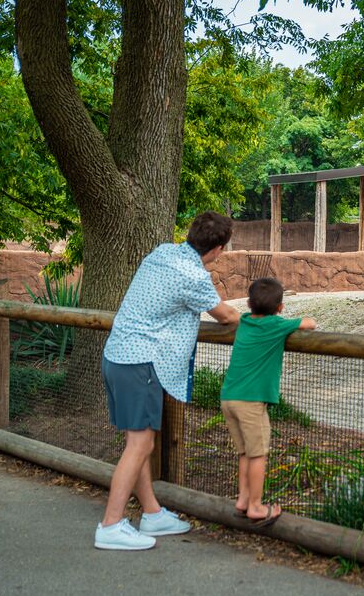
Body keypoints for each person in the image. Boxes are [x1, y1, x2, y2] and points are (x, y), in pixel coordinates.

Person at [95, 211, 241, 550]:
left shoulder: (162, 252)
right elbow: (226, 315)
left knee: (137, 442)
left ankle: (152, 513)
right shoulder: (194, 275)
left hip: (117, 355)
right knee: (141, 445)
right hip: (140, 363)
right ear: (218, 249)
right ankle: (111, 524)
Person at [221, 276, 316, 526]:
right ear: (280, 307)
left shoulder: (244, 320)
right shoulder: (277, 324)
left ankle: (243, 500)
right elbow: (310, 323)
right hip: (251, 401)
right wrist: (287, 320)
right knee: (258, 455)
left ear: (249, 304)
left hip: (229, 396)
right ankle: (255, 506)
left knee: (244, 453)